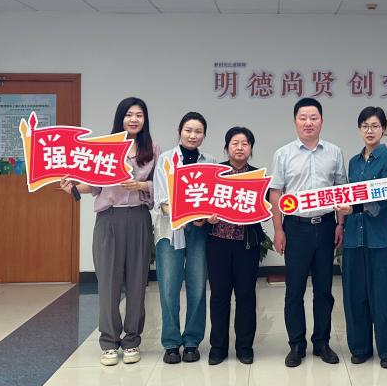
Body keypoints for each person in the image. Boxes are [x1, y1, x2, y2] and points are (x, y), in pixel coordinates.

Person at [61, 98, 160, 367]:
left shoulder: (153, 149)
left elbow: (161, 186)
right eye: (129, 114)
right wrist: (72, 187)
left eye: (139, 115)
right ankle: (108, 342)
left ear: (145, 120)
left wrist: (140, 185)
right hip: (108, 219)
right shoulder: (105, 147)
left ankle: (132, 340)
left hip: (138, 218)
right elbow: (94, 186)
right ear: (120, 118)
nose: (134, 119)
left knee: (137, 282)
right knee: (108, 284)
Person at [269, 97, 351, 368]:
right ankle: (296, 344)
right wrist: (278, 229)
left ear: (321, 121)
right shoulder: (283, 154)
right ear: (295, 121)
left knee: (324, 290)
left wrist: (340, 224)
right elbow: (276, 193)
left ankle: (322, 342)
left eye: (313, 117)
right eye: (303, 118)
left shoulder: (334, 152)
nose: (308, 122)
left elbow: (341, 189)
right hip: (296, 228)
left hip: (326, 226)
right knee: (294, 290)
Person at [153, 112, 216, 364]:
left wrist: (206, 217)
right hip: (170, 230)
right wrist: (186, 215)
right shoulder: (166, 159)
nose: (193, 135)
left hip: (200, 231)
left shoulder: (210, 161)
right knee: (169, 288)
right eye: (188, 130)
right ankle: (171, 343)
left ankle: (192, 341)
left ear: (204, 135)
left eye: (198, 131)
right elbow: (161, 201)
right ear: (179, 131)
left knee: (197, 286)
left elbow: (213, 198)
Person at [343, 107, 387, 368]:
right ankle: (360, 347)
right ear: (359, 129)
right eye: (365, 125)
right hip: (354, 238)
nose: (370, 130)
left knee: (384, 294)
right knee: (355, 295)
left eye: (375, 126)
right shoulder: (354, 162)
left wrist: (355, 208)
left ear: (383, 129)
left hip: (381, 238)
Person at [207, 127, 265, 366]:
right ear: (226, 147)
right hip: (217, 243)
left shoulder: (258, 177)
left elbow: (264, 209)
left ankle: (244, 347)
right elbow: (202, 204)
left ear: (251, 149)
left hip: (246, 245)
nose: (240, 147)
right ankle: (218, 347)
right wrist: (207, 217)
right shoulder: (215, 173)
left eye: (245, 143)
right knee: (219, 296)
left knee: (246, 296)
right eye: (235, 143)